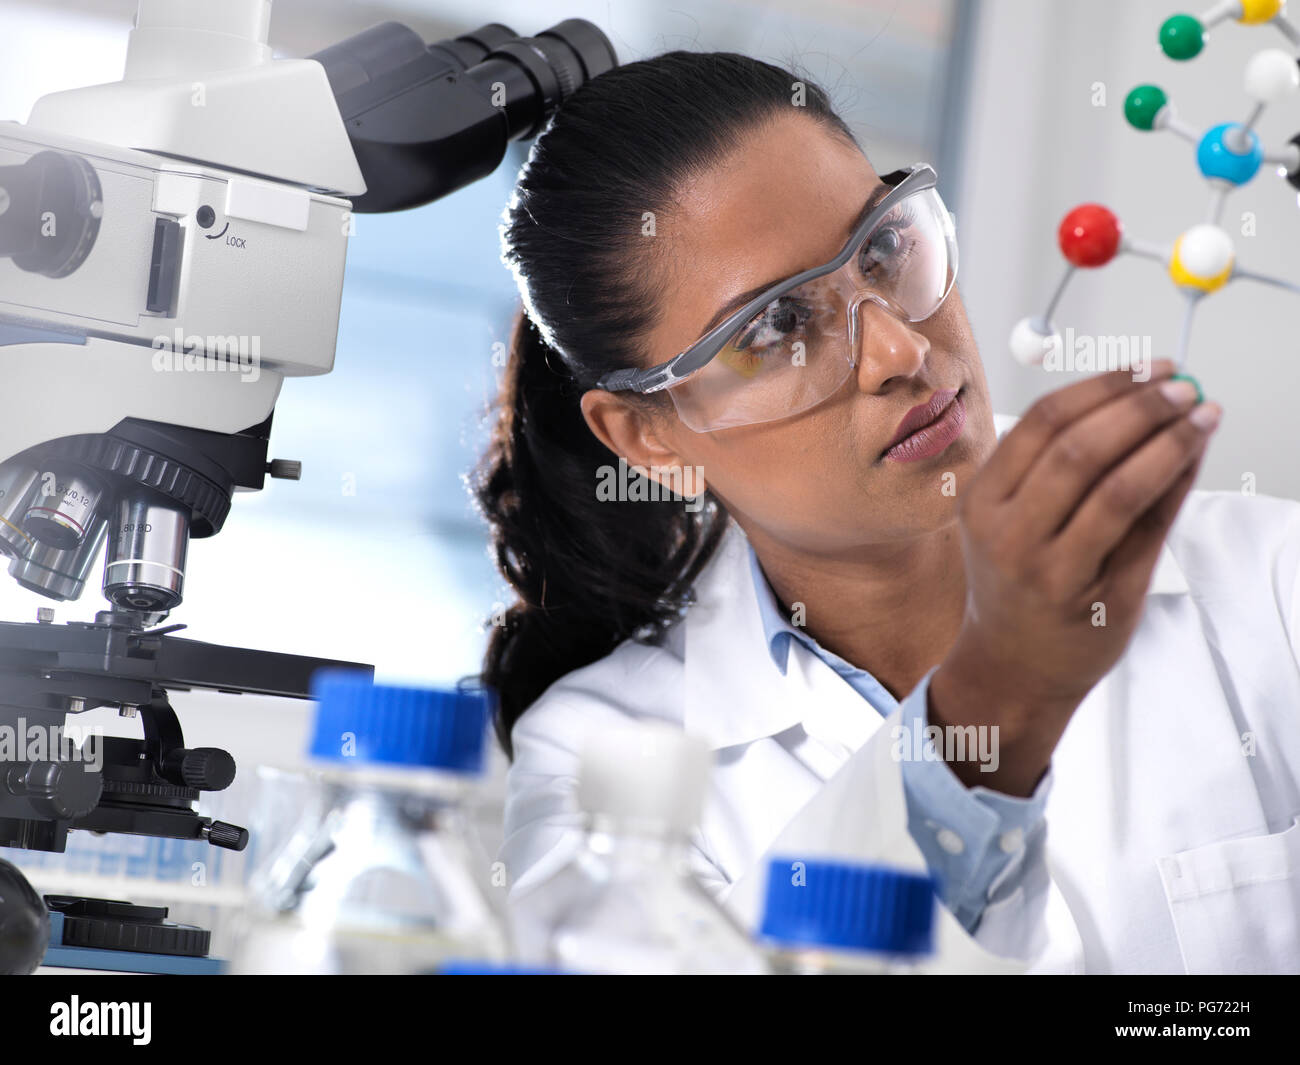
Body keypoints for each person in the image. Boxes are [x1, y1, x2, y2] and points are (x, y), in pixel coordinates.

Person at [472, 50, 1300, 973]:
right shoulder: (599, 766)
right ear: (647, 439)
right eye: (776, 328)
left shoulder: (1267, 581)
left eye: (883, 248)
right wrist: (995, 701)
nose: (901, 350)